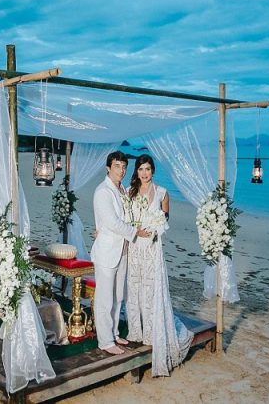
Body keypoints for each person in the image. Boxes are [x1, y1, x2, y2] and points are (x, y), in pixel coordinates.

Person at [126, 154, 194, 376]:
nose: (144, 173)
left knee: (150, 288)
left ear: (153, 171)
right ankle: (136, 331)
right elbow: (125, 220)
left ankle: (151, 333)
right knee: (134, 287)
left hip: (153, 248)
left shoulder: (163, 193)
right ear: (136, 172)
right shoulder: (129, 192)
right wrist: (136, 231)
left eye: (148, 169)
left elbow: (165, 220)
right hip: (135, 246)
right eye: (141, 169)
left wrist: (155, 228)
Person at [91, 151, 151, 355]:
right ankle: (105, 341)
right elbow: (112, 222)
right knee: (105, 298)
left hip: (123, 250)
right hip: (107, 251)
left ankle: (114, 332)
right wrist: (136, 232)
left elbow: (126, 216)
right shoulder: (103, 191)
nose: (122, 170)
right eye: (117, 166)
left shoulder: (123, 190)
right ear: (108, 168)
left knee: (118, 296)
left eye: (124, 166)